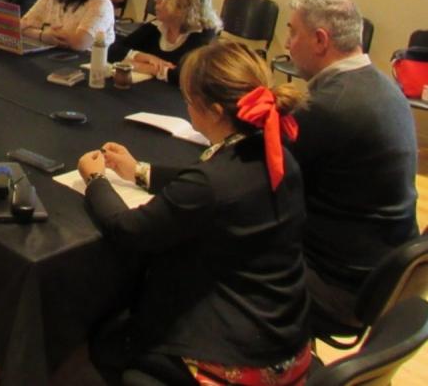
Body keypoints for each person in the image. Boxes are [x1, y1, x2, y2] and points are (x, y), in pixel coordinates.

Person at [78, 41, 310, 385]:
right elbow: (204, 189)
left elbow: (129, 230)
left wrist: (95, 180)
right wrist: (139, 171)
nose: (186, 105)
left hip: (236, 354)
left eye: (188, 100)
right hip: (283, 333)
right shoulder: (274, 153)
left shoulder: (211, 182)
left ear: (214, 111)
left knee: (107, 342)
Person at [285, 0, 419, 326]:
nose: (287, 44)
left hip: (339, 285)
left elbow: (260, 177)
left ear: (320, 40)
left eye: (293, 33)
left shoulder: (330, 105)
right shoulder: (384, 87)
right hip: (386, 271)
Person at [107, 0, 221, 85]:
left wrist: (141, 66)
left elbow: (188, 76)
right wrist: (145, 57)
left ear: (186, 4)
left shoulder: (203, 35)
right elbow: (112, 49)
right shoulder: (157, 26)